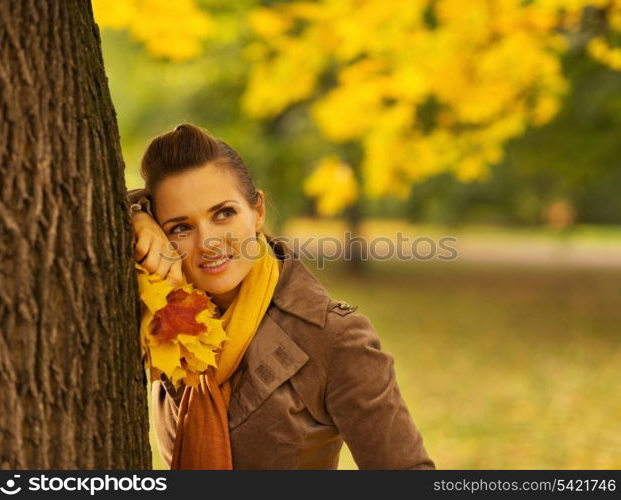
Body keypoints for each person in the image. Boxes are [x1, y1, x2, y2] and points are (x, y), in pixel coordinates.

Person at [128, 123, 435, 470]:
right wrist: (136, 215)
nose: (208, 242)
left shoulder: (332, 337)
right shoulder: (159, 311)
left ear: (257, 211)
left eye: (224, 214)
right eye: (181, 228)